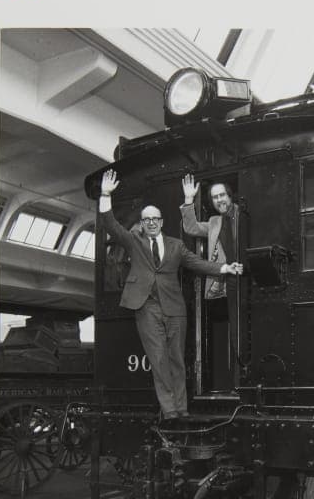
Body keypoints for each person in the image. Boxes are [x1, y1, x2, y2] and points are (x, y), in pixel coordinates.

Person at [99, 169, 243, 420]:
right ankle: (170, 412)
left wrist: (224, 267)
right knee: (159, 359)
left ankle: (182, 409)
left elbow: (197, 263)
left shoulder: (176, 245)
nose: (152, 222)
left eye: (156, 219)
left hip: (175, 307)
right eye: (147, 219)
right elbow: (111, 224)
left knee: (176, 359)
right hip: (147, 306)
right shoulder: (134, 240)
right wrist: (105, 194)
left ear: (162, 222)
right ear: (142, 224)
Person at [179, 175, 242, 384]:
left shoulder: (243, 214)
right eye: (215, 197)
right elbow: (191, 228)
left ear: (230, 195)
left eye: (222, 195)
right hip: (222, 283)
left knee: (240, 333)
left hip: (242, 282)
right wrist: (189, 200)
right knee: (230, 333)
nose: (219, 200)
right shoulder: (215, 221)